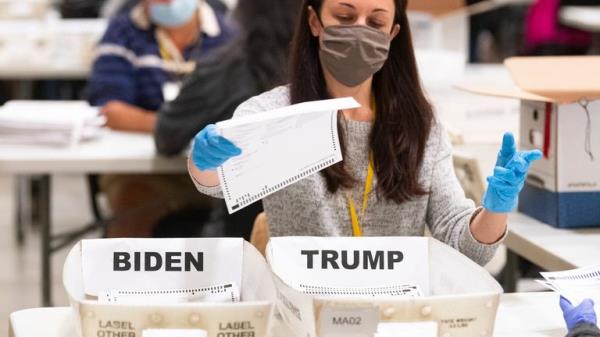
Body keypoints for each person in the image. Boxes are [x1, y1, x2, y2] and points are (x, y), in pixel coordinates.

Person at [187, 0, 541, 266]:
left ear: (392, 34)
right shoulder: (273, 114)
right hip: (303, 308)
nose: (359, 29)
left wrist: (496, 209)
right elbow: (219, 181)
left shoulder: (420, 125)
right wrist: (203, 161)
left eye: (375, 21)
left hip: (394, 312)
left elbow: (465, 246)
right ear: (314, 21)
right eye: (344, 17)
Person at [154, 0, 301, 239]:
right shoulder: (327, 75)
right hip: (318, 245)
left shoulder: (224, 68)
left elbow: (166, 136)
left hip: (237, 242)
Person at [87, 0, 235, 237]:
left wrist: (176, 128)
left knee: (244, 210)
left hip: (212, 167)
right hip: (141, 171)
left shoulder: (229, 37)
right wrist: (176, 127)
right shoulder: (122, 32)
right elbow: (111, 110)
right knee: (133, 203)